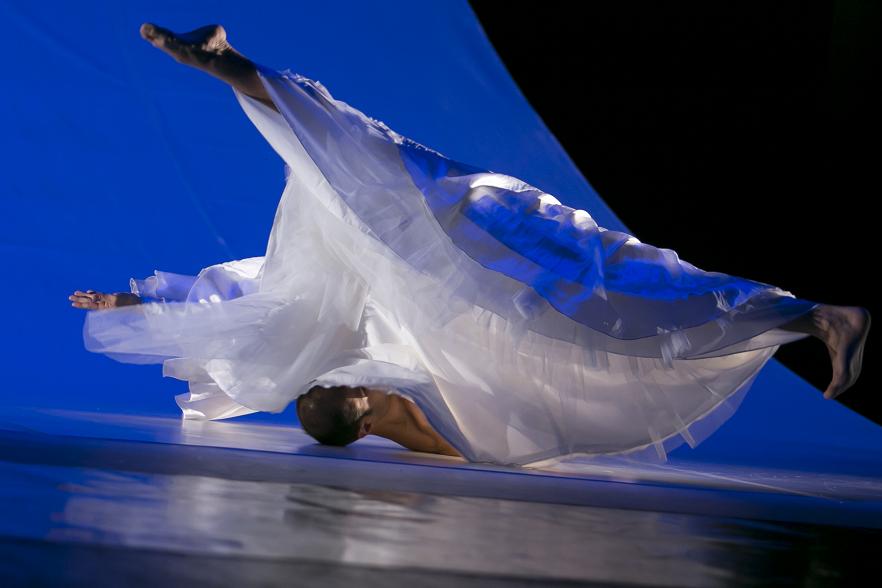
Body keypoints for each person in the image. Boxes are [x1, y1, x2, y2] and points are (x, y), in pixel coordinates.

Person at [70, 23, 870, 468]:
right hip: (485, 260)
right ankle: (805, 316)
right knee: (610, 298)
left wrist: (136, 300)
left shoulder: (318, 314)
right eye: (343, 401)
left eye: (325, 390)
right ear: (363, 417)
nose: (341, 385)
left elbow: (234, 299)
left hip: (463, 219)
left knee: (379, 173)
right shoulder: (400, 382)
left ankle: (230, 65)